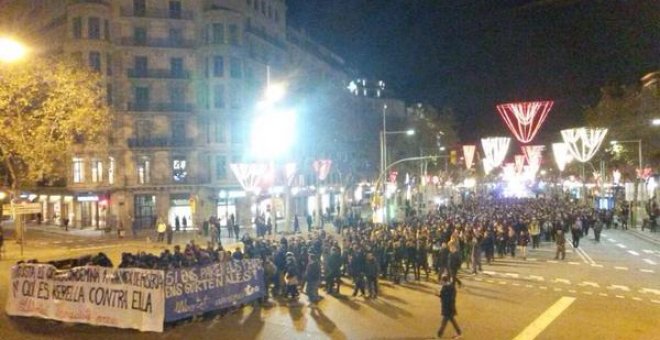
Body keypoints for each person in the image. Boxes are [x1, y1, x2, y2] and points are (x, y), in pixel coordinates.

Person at [436, 274, 462, 339]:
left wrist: (439, 295)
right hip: (450, 306)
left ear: (443, 280)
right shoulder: (451, 287)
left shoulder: (445, 287)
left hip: (447, 307)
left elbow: (446, 298)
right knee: (452, 320)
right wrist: (439, 295)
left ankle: (439, 335)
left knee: (444, 322)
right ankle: (459, 332)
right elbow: (449, 297)